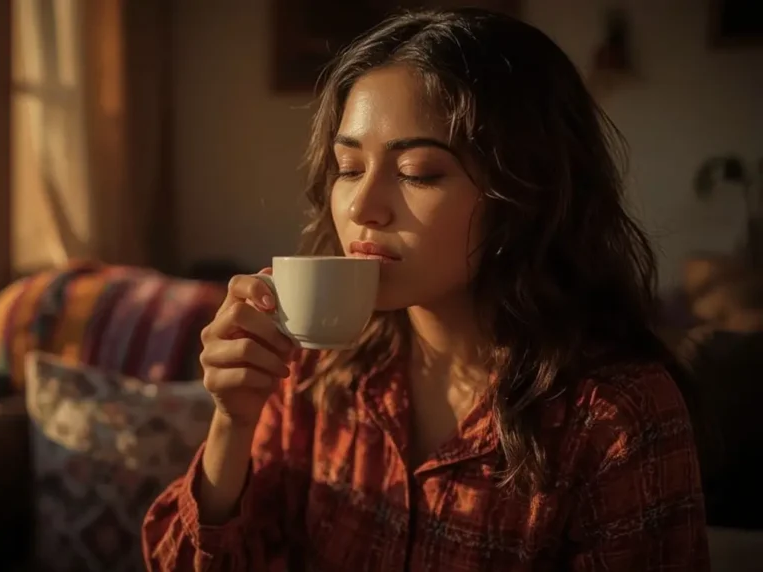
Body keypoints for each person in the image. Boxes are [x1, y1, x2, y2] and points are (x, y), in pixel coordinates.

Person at [143, 8, 709, 571]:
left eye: (417, 171)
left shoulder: (617, 416)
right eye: (347, 167)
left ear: (524, 192)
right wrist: (232, 421)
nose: (363, 207)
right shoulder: (316, 370)